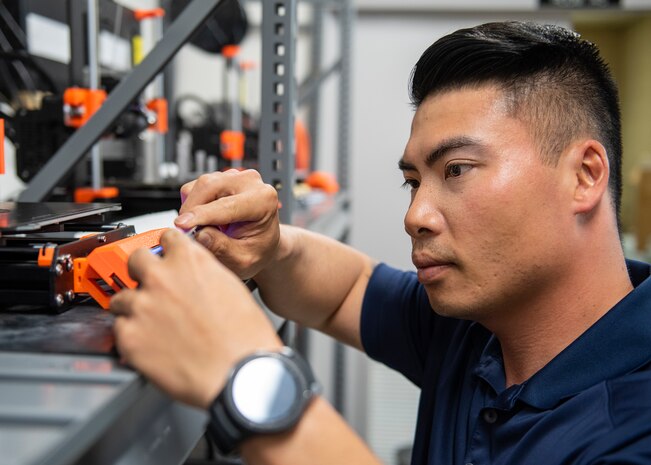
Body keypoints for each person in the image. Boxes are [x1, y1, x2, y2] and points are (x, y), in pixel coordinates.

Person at [110, 21, 651, 464]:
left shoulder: (632, 430)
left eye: (457, 169)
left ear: (584, 175)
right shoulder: (477, 329)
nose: (415, 216)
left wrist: (248, 377)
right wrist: (270, 247)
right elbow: (350, 288)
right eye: (414, 182)